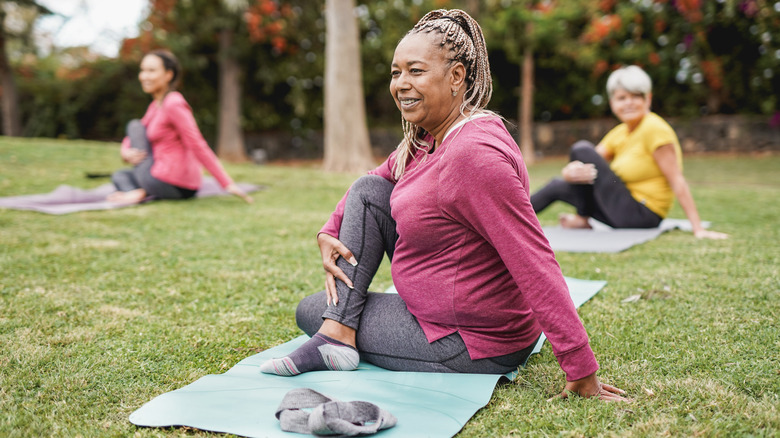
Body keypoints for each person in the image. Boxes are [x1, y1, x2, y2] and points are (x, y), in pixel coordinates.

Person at [261, 9, 629, 402]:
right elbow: (374, 180)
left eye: (415, 71)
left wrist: (581, 369)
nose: (401, 83)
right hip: (443, 315)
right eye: (395, 72)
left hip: (470, 340)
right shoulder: (429, 137)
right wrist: (328, 230)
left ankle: (336, 332)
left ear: (456, 77)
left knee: (310, 309)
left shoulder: (473, 155)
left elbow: (533, 258)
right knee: (369, 192)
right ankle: (337, 332)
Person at [530, 65, 727, 239]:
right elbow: (588, 162)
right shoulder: (620, 132)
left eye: (636, 96)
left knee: (581, 148)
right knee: (557, 185)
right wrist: (569, 172)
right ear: (612, 103)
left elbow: (676, 179)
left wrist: (698, 228)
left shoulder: (654, 128)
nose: (629, 103)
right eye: (622, 98)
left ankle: (582, 218)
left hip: (642, 213)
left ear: (648, 99)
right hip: (619, 208)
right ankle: (506, 225)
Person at [108, 50, 252, 204]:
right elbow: (133, 136)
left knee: (134, 125)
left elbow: (197, 143)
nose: (144, 76)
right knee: (120, 175)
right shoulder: (155, 106)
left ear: (168, 75)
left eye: (151, 70)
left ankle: (140, 192)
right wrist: (125, 152)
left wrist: (227, 183)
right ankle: (140, 192)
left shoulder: (173, 103)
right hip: (162, 179)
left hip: (172, 182)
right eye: (142, 70)